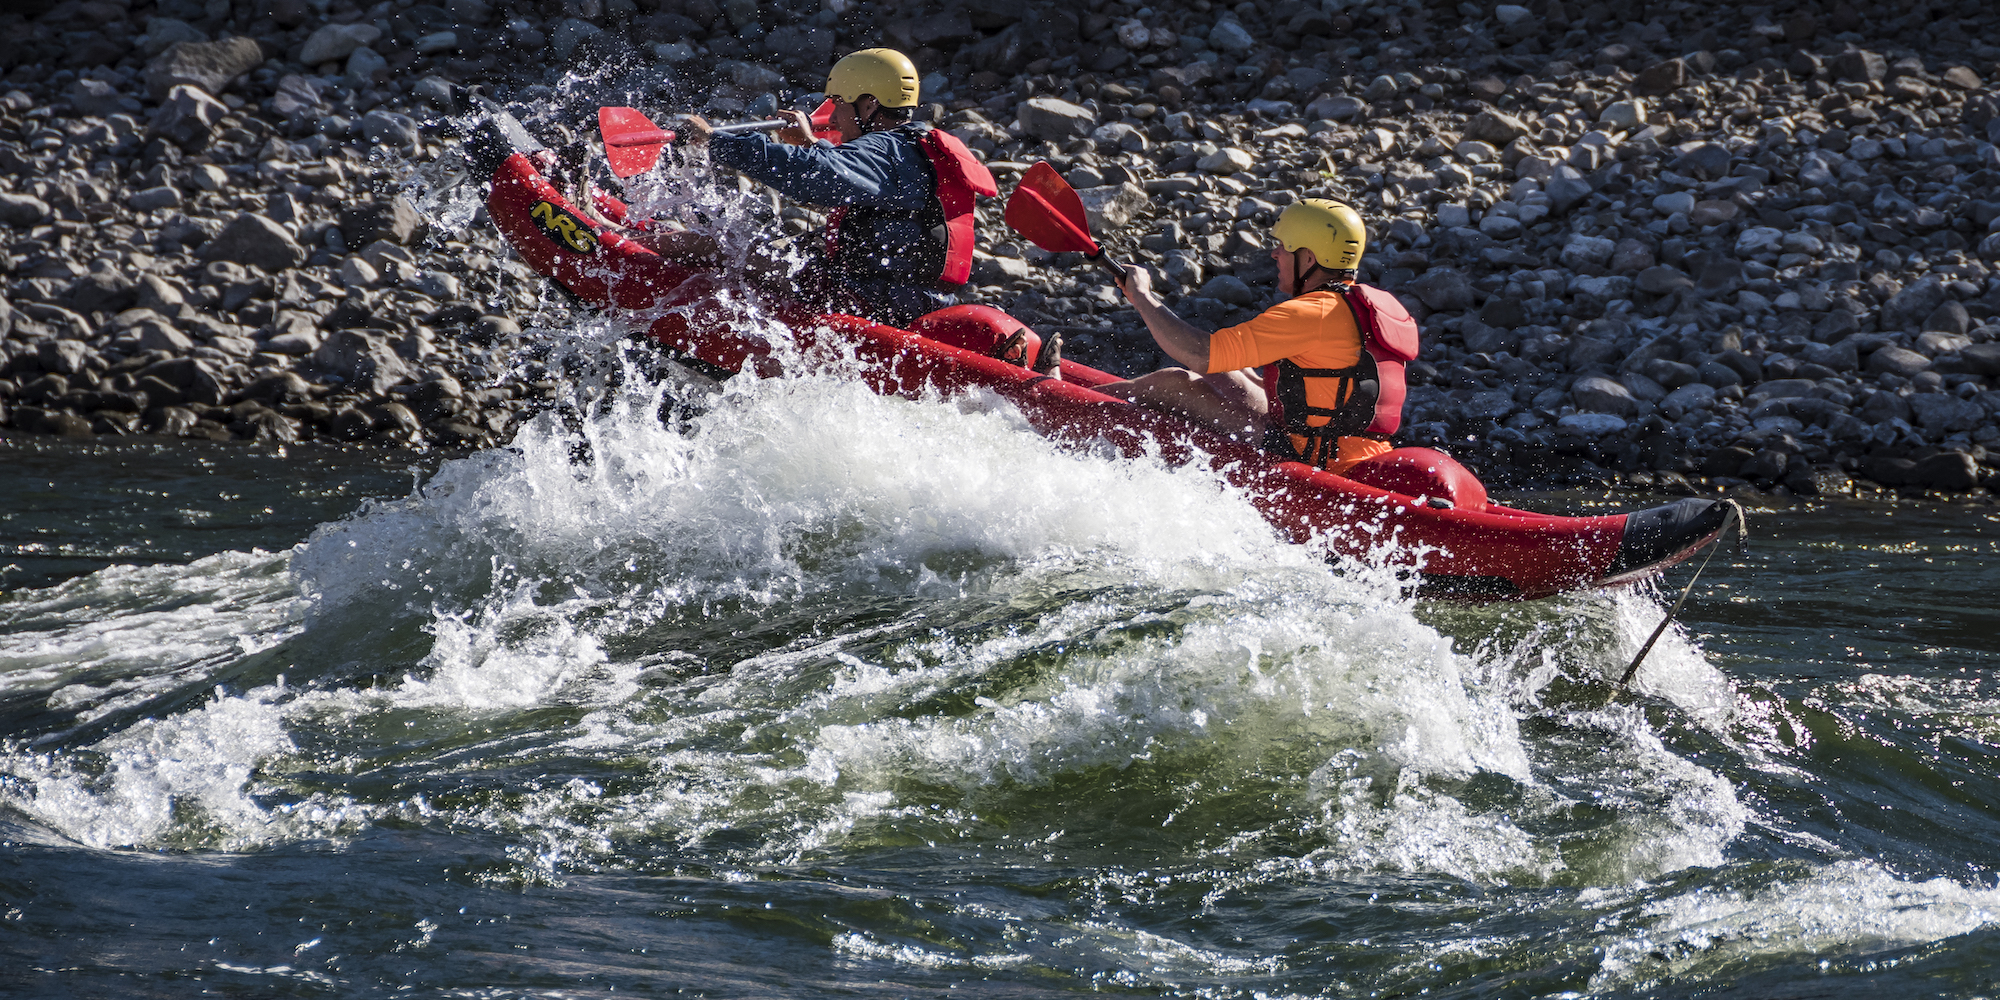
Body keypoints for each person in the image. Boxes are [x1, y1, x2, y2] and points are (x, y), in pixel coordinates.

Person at [669, 48, 1010, 337]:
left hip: (869, 301)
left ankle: (620, 243)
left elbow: (815, 176)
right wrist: (810, 144)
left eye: (838, 104)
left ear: (869, 105)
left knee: (707, 246)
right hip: (911, 300)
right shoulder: (912, 147)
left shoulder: (884, 152)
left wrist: (714, 141)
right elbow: (848, 171)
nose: (833, 118)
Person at [1102, 199, 1416, 475]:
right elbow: (1217, 360)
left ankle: (1061, 406)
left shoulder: (1311, 314)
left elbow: (1199, 353)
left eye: (1284, 247)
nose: (1274, 254)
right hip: (1343, 446)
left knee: (1174, 384)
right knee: (1228, 373)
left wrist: (1141, 296)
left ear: (1308, 258)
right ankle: (1078, 391)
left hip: (1318, 462)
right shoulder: (1364, 305)